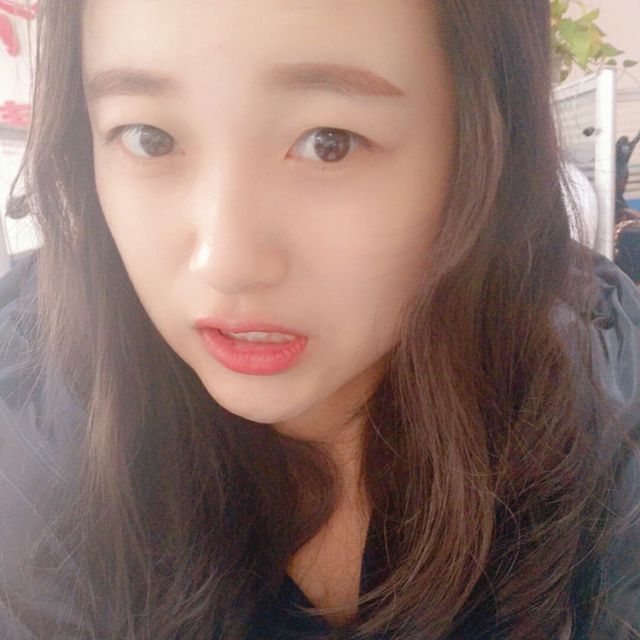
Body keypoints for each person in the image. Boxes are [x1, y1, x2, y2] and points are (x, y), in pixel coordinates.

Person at [0, 1, 638, 638]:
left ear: (483, 146)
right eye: (149, 138)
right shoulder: (23, 425)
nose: (225, 263)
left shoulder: (604, 395)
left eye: (329, 143)